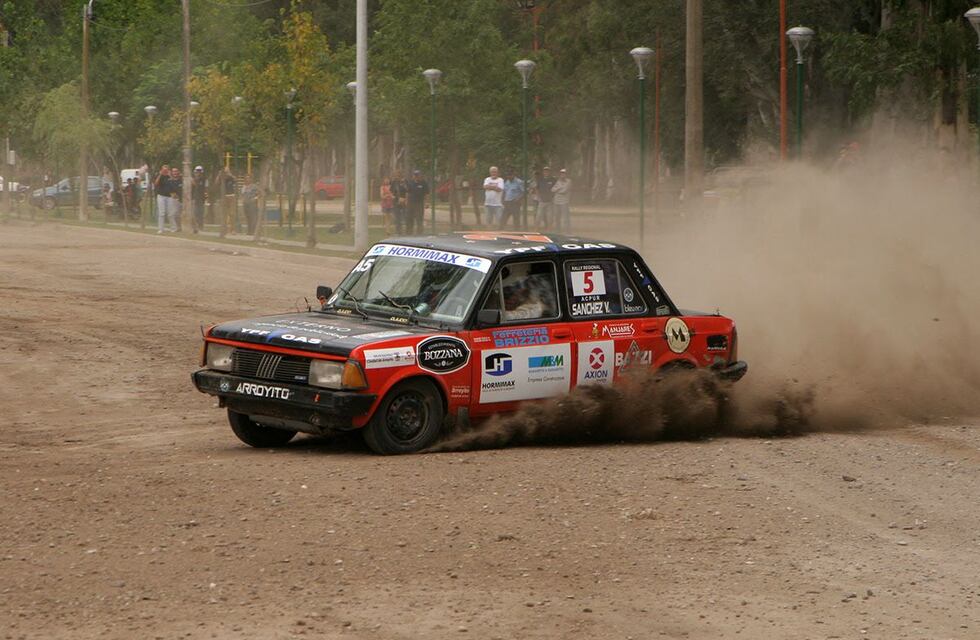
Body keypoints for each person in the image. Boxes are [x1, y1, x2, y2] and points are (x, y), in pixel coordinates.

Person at [154, 165, 177, 234]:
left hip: (169, 196)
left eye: (166, 170)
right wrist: (160, 174)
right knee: (162, 213)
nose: (165, 171)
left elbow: (174, 184)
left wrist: (170, 175)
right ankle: (161, 229)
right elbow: (156, 183)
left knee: (170, 213)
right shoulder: (160, 176)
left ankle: (173, 228)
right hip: (161, 196)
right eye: (164, 170)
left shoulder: (169, 177)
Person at [405, 169, 429, 235]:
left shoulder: (423, 183)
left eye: (417, 175)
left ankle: (419, 233)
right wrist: (406, 201)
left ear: (420, 175)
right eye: (415, 175)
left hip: (419, 203)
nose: (416, 176)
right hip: (410, 203)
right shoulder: (410, 182)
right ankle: (409, 233)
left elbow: (427, 193)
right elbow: (407, 192)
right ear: (413, 176)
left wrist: (427, 202)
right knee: (409, 218)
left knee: (419, 218)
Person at [552, 168, 572, 232]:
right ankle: (558, 229)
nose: (562, 175)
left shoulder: (568, 181)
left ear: (566, 174)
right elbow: (552, 190)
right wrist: (559, 188)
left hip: (564, 202)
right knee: (557, 216)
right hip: (556, 201)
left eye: (564, 174)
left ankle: (567, 230)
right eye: (561, 174)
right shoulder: (558, 181)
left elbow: (564, 190)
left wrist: (557, 189)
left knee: (565, 217)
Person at [390, 169, 408, 234]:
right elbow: (391, 192)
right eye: (396, 175)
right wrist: (393, 196)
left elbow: (408, 191)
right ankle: (398, 231)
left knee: (405, 217)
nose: (397, 176)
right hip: (396, 202)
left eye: (398, 175)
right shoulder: (394, 182)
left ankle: (406, 231)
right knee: (397, 217)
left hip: (404, 202)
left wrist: (405, 199)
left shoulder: (405, 181)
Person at [191, 166, 207, 233]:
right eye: (197, 171)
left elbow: (204, 187)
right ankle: (195, 227)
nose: (198, 172)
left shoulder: (203, 179)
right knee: (195, 213)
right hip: (195, 198)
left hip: (201, 198)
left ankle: (201, 226)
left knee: (201, 213)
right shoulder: (193, 179)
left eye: (199, 171)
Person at [170, 167, 184, 232]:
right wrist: (174, 196)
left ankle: (195, 227)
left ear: (178, 172)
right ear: (172, 173)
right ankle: (179, 227)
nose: (175, 173)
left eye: (176, 171)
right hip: (176, 200)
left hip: (185, 199)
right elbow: (171, 192)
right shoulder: (171, 181)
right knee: (175, 214)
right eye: (173, 171)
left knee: (190, 214)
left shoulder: (182, 180)